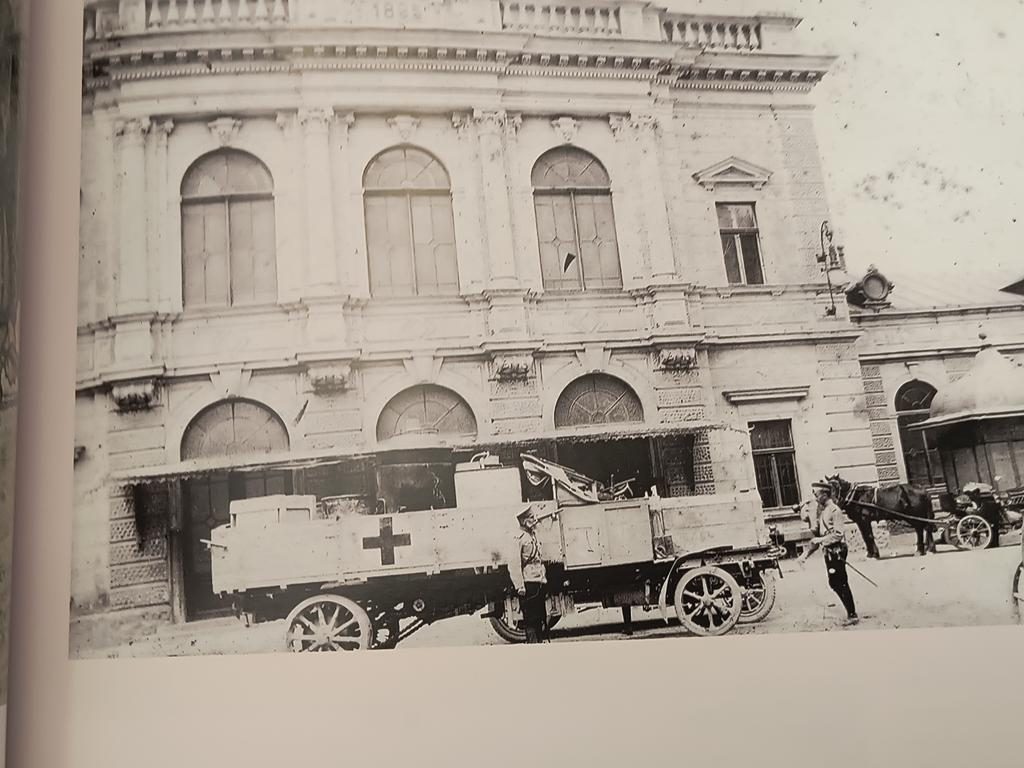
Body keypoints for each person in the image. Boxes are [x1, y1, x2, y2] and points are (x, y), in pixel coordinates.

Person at [799, 481, 859, 625]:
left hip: (837, 550)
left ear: (825, 495)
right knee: (834, 582)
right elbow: (816, 535)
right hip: (829, 551)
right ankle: (851, 612)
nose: (814, 497)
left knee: (841, 582)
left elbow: (838, 534)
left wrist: (820, 539)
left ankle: (852, 614)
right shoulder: (823, 511)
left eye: (816, 494)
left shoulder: (835, 511)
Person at [508, 506, 549, 644]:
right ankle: (533, 645)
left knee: (540, 617)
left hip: (538, 582)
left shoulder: (532, 535)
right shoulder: (518, 538)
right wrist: (519, 586)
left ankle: (539, 642)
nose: (534, 519)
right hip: (528, 584)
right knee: (531, 619)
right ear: (525, 521)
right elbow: (514, 564)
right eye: (531, 517)